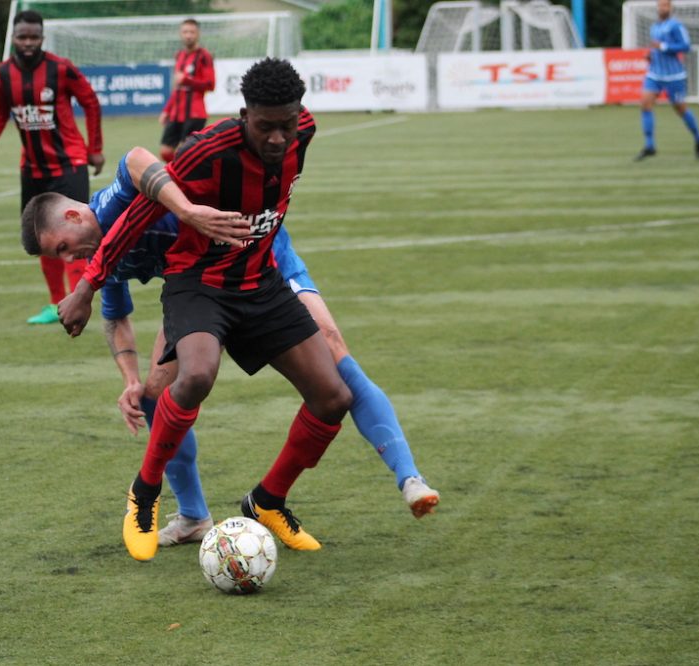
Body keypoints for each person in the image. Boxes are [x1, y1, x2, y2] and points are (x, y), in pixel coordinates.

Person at [24, 148, 439, 547]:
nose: (67, 259)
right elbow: (115, 317)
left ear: (75, 214)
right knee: (154, 394)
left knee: (331, 354)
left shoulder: (111, 205)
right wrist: (129, 380)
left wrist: (185, 211)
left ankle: (409, 478)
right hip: (198, 287)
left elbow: (135, 159)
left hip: (259, 257)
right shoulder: (103, 260)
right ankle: (192, 517)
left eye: (62, 246)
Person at [58, 58, 355, 563]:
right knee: (195, 375)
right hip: (199, 283)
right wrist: (88, 286)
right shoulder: (206, 152)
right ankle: (145, 493)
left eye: (287, 124)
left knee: (333, 398)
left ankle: (267, 501)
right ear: (243, 115)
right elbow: (137, 216)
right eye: (266, 127)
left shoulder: (303, 130)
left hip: (260, 282)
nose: (280, 138)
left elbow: (283, 161)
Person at [0, 9, 104, 325]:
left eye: (34, 37)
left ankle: (78, 300)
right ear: (13, 38)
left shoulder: (61, 69)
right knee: (40, 236)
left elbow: (91, 102)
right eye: (22, 37)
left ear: (42, 38)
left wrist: (94, 148)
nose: (28, 43)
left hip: (69, 164)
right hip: (32, 169)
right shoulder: (2, 75)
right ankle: (55, 304)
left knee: (75, 233)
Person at [635, 0, 699, 161]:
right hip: (655, 74)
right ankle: (650, 145)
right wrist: (651, 54)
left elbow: (686, 46)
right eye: (660, 5)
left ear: (671, 8)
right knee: (645, 104)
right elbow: (655, 47)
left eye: (665, 5)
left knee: (680, 109)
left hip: (674, 76)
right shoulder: (654, 27)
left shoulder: (676, 26)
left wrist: (664, 47)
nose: (662, 8)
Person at [158, 18, 214, 163]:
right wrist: (167, 110)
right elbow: (177, 87)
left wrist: (187, 80)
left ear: (198, 34)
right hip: (177, 113)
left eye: (192, 32)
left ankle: (185, 179)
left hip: (195, 113)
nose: (188, 35)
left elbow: (210, 84)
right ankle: (185, 173)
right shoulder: (179, 55)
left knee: (185, 153)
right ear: (180, 34)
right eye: (185, 32)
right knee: (165, 152)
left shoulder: (204, 56)